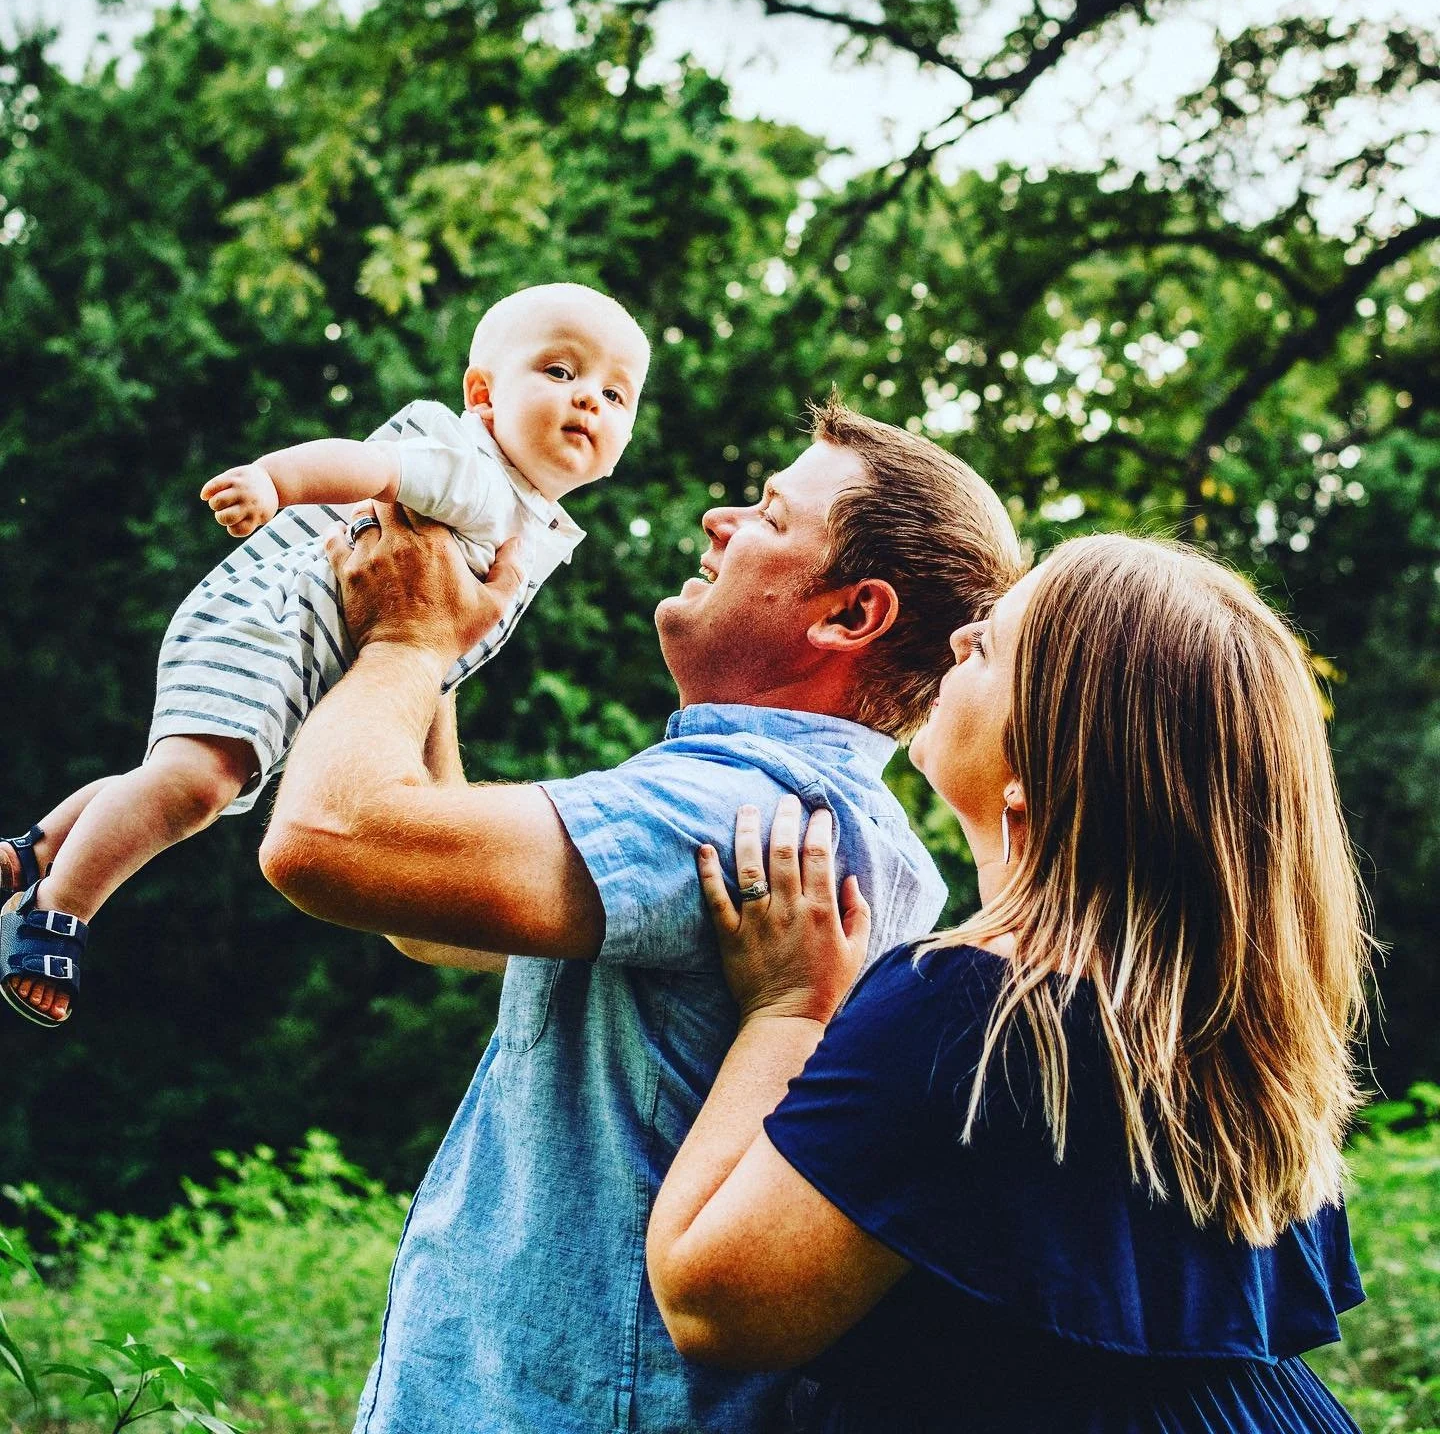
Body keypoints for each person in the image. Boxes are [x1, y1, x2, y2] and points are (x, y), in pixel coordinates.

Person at [256, 395, 1026, 1433]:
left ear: (851, 615)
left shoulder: (746, 811)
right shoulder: (828, 820)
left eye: (768, 513)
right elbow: (428, 914)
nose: (720, 519)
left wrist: (403, 641)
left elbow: (329, 842)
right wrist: (436, 639)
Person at [648, 533, 1369, 1434]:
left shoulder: (967, 1010)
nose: (956, 640)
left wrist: (790, 1007)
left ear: (1042, 771)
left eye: (989, 643)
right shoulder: (1231, 1032)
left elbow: (713, 1304)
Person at [1, 282, 649, 1028]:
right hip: (270, 627)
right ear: (485, 394)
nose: (589, 401)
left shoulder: (528, 519)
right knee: (199, 784)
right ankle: (57, 912)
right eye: (561, 373)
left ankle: (33, 851)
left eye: (616, 393)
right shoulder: (476, 478)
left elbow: (435, 644)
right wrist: (276, 482)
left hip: (294, 655)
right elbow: (371, 467)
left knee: (180, 784)